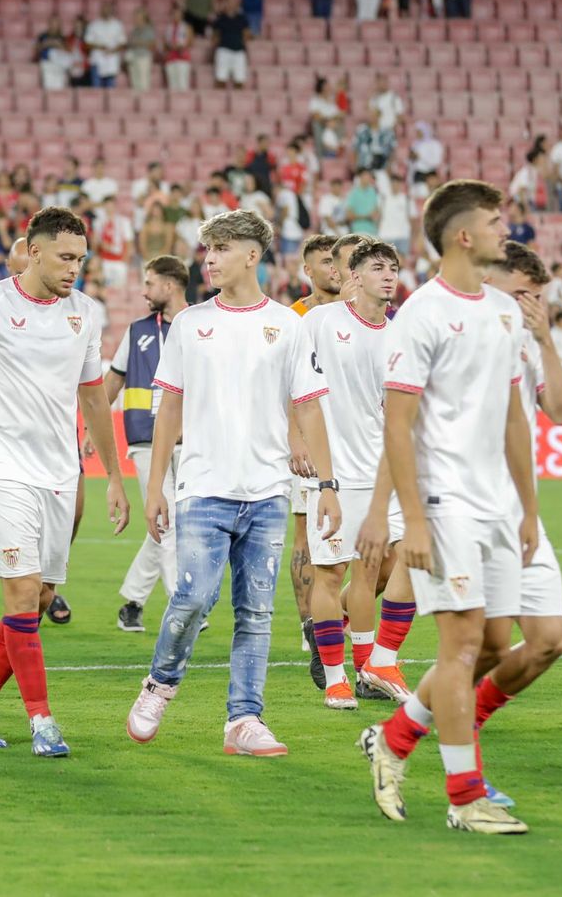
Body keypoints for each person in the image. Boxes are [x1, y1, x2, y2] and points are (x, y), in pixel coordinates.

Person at [356, 179, 534, 837]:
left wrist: (530, 509)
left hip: (495, 504)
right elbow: (397, 425)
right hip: (444, 501)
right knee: (459, 649)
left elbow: (515, 414)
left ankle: (396, 739)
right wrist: (415, 520)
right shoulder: (422, 315)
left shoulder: (503, 311)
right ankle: (465, 798)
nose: (501, 229)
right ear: (464, 235)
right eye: (493, 221)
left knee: (492, 643)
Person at [125, 209, 339, 756]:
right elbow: (167, 406)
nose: (210, 259)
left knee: (257, 612)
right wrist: (155, 487)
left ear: (252, 254)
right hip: (202, 487)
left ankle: (244, 719)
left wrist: (329, 484)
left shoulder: (288, 326)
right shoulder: (192, 324)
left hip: (268, 491)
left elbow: (310, 409)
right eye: (207, 249)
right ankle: (160, 683)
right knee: (193, 597)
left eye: (220, 248)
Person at [0, 209, 129, 757]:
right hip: (3, 465)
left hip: (60, 470)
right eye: (65, 258)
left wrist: (114, 476)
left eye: (81, 260)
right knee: (20, 593)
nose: (75, 269)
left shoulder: (85, 313)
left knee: (39, 597)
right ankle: (43, 722)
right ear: (32, 251)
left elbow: (93, 396)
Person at [471, 243, 562, 775]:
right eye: (520, 296)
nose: (527, 307)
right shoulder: (460, 335)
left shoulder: (530, 344)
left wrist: (545, 336)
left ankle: (462, 714)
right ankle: (431, 727)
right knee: (482, 644)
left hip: (518, 514)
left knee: (549, 641)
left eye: (536, 298)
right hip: (465, 510)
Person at [299, 241, 401, 710]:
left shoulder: (399, 335)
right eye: (378, 267)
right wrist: (296, 441)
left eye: (394, 268)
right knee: (331, 571)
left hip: (385, 472)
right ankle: (340, 676)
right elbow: (291, 382)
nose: (389, 275)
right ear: (355, 276)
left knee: (391, 568)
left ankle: (371, 665)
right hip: (335, 471)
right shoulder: (322, 321)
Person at [111, 256, 190, 632]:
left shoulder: (199, 326)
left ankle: (132, 602)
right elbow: (113, 380)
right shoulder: (138, 330)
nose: (143, 291)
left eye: (149, 283)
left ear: (170, 286)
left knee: (170, 524)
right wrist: (93, 433)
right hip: (145, 436)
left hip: (191, 438)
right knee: (167, 520)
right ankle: (183, 604)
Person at [83, 1, 126, 89]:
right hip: (97, 60)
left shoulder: (117, 25)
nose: (106, 11)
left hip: (111, 61)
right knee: (97, 89)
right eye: (105, 9)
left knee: (110, 90)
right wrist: (100, 47)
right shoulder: (94, 25)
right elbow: (87, 43)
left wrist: (113, 50)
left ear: (112, 11)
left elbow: (122, 43)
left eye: (108, 9)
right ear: (101, 10)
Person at [211, 0, 251, 90]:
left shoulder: (242, 18)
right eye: (229, 2)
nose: (230, 5)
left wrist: (243, 43)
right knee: (220, 79)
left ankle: (238, 103)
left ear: (237, 6)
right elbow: (215, 35)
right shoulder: (221, 19)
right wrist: (214, 49)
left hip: (238, 51)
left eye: (233, 3)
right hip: (223, 50)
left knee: (240, 81)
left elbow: (247, 34)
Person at [344, 170, 381, 235]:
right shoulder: (353, 193)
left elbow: (377, 210)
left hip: (372, 231)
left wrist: (376, 215)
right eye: (366, 177)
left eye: (369, 177)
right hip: (358, 231)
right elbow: (349, 215)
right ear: (360, 178)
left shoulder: (372, 191)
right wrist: (366, 217)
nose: (368, 179)